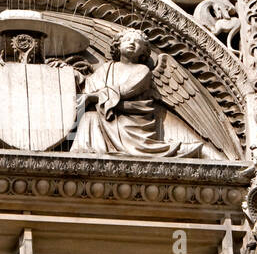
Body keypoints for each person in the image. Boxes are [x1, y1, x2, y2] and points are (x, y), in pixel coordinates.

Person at [71, 29, 198, 158]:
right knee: (88, 118)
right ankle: (89, 152)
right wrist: (72, 74)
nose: (132, 43)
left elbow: (125, 91)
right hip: (107, 113)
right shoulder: (107, 68)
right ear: (118, 46)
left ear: (143, 51)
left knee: (91, 117)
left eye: (137, 42)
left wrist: (94, 97)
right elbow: (89, 87)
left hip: (131, 123)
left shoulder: (142, 70)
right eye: (127, 40)